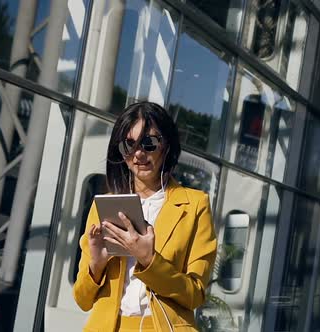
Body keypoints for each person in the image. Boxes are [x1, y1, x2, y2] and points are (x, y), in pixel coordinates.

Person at [73, 102, 217, 331]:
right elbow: (82, 300)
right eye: (128, 145)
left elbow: (195, 294)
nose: (138, 154)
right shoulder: (104, 205)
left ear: (166, 145)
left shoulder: (195, 205)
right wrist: (96, 266)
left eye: (149, 143)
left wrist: (150, 261)